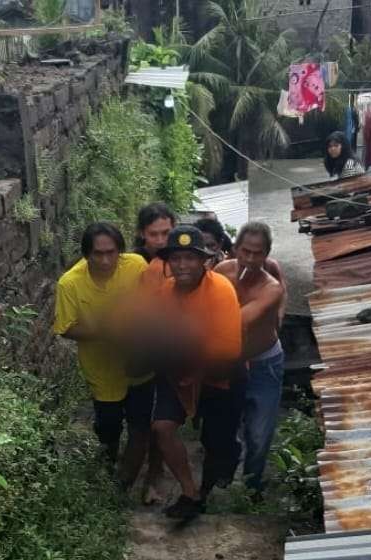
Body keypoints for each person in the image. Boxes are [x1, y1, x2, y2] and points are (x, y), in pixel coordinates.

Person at [124, 226, 243, 520]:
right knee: (161, 428)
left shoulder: (221, 291)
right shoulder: (166, 292)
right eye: (176, 259)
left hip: (219, 374)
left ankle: (210, 483)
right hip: (179, 371)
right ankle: (190, 492)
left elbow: (227, 350)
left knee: (216, 443)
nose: (182, 265)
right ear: (168, 262)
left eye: (190, 258)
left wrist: (196, 369)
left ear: (203, 260)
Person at [53, 223, 151, 468]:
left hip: (140, 363)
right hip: (101, 368)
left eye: (111, 252)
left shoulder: (137, 266)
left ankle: (127, 480)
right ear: (87, 255)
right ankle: (106, 470)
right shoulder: (70, 284)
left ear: (120, 251)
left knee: (141, 424)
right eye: (98, 254)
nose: (106, 260)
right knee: (109, 427)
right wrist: (105, 331)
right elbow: (66, 328)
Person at [215, 222, 285, 494]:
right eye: (246, 252)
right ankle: (223, 475)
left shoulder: (271, 288)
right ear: (235, 250)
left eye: (258, 253)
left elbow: (237, 322)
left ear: (267, 253)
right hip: (227, 363)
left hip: (264, 363)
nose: (251, 259)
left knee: (259, 432)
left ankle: (252, 485)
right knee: (225, 425)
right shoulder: (220, 272)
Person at [130, 202, 176, 503]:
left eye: (166, 233)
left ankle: (155, 474)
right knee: (140, 417)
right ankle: (132, 470)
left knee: (162, 416)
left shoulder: (182, 259)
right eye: (153, 234)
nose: (160, 240)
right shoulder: (133, 264)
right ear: (141, 234)